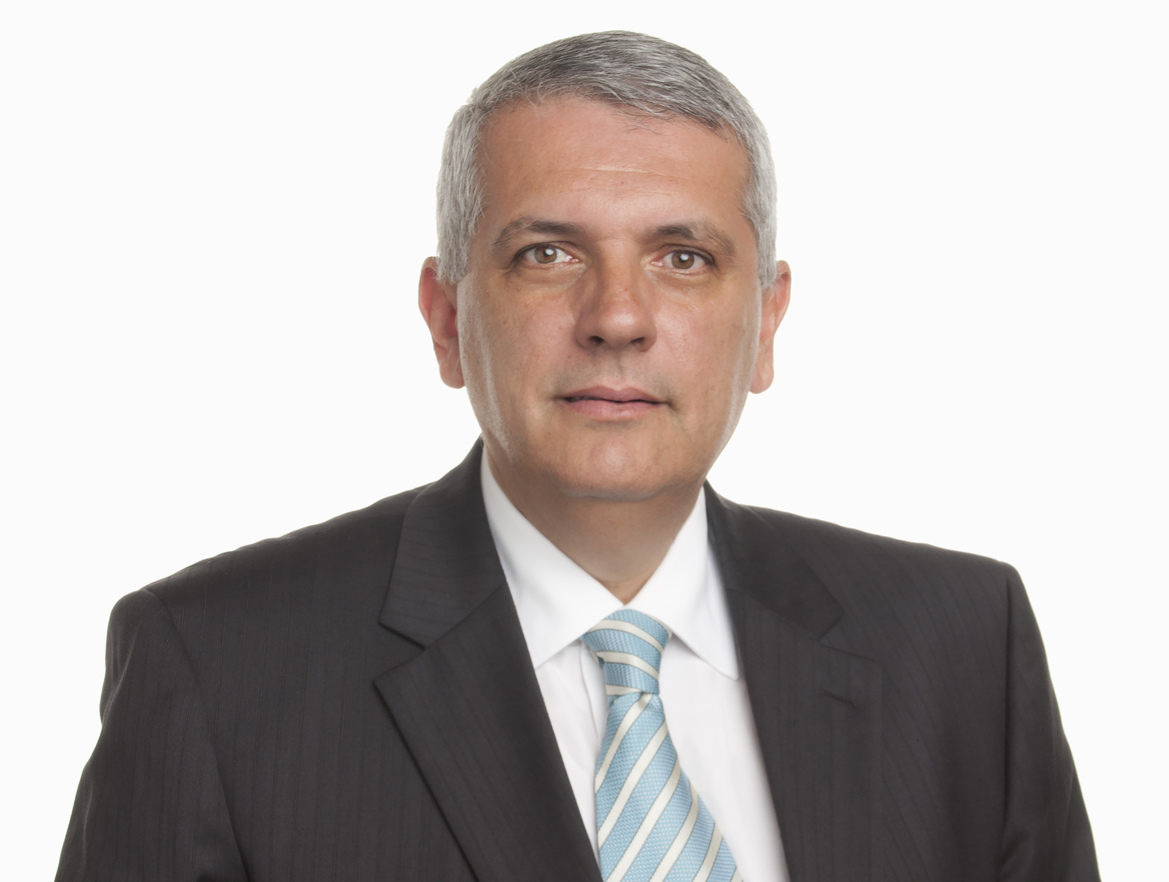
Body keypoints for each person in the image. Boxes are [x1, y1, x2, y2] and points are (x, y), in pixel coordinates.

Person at [56, 31, 1099, 882]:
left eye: (681, 257)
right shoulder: (213, 668)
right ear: (446, 319)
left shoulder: (962, 647)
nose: (617, 317)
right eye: (545, 254)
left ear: (766, 323)